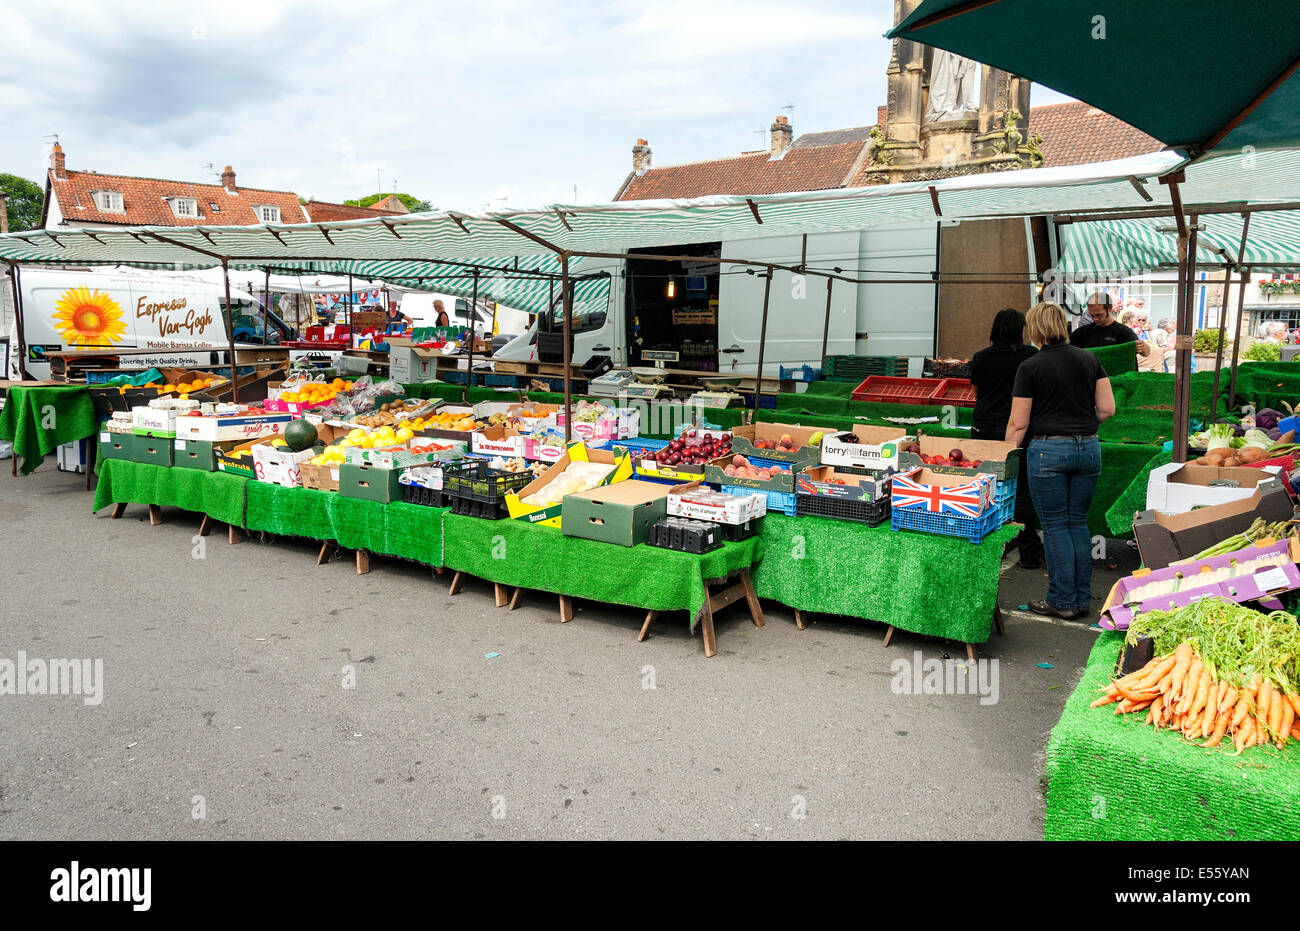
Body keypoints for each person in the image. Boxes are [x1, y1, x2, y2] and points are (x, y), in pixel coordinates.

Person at [1007, 302, 1116, 620]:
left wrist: (1003, 458)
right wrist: (1080, 420)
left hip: (1048, 451)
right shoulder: (1089, 358)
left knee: (1055, 526)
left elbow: (1018, 424)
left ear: (1035, 330)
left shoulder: (1030, 366)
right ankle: (1080, 599)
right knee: (1077, 523)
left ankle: (1062, 600)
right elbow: (1107, 409)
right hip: (1089, 448)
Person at [969, 308, 1044, 569]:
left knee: (985, 487)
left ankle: (986, 547)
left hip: (985, 427)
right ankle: (1029, 551)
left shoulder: (980, 358)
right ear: (1020, 330)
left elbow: (977, 392)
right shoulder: (1031, 356)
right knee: (1020, 489)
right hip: (1020, 428)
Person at [1070, 292, 1151, 358]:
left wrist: (1143, 347)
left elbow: (1146, 353)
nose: (1095, 319)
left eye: (1099, 315)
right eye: (1092, 315)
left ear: (1110, 308)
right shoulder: (1082, 333)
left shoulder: (1123, 332)